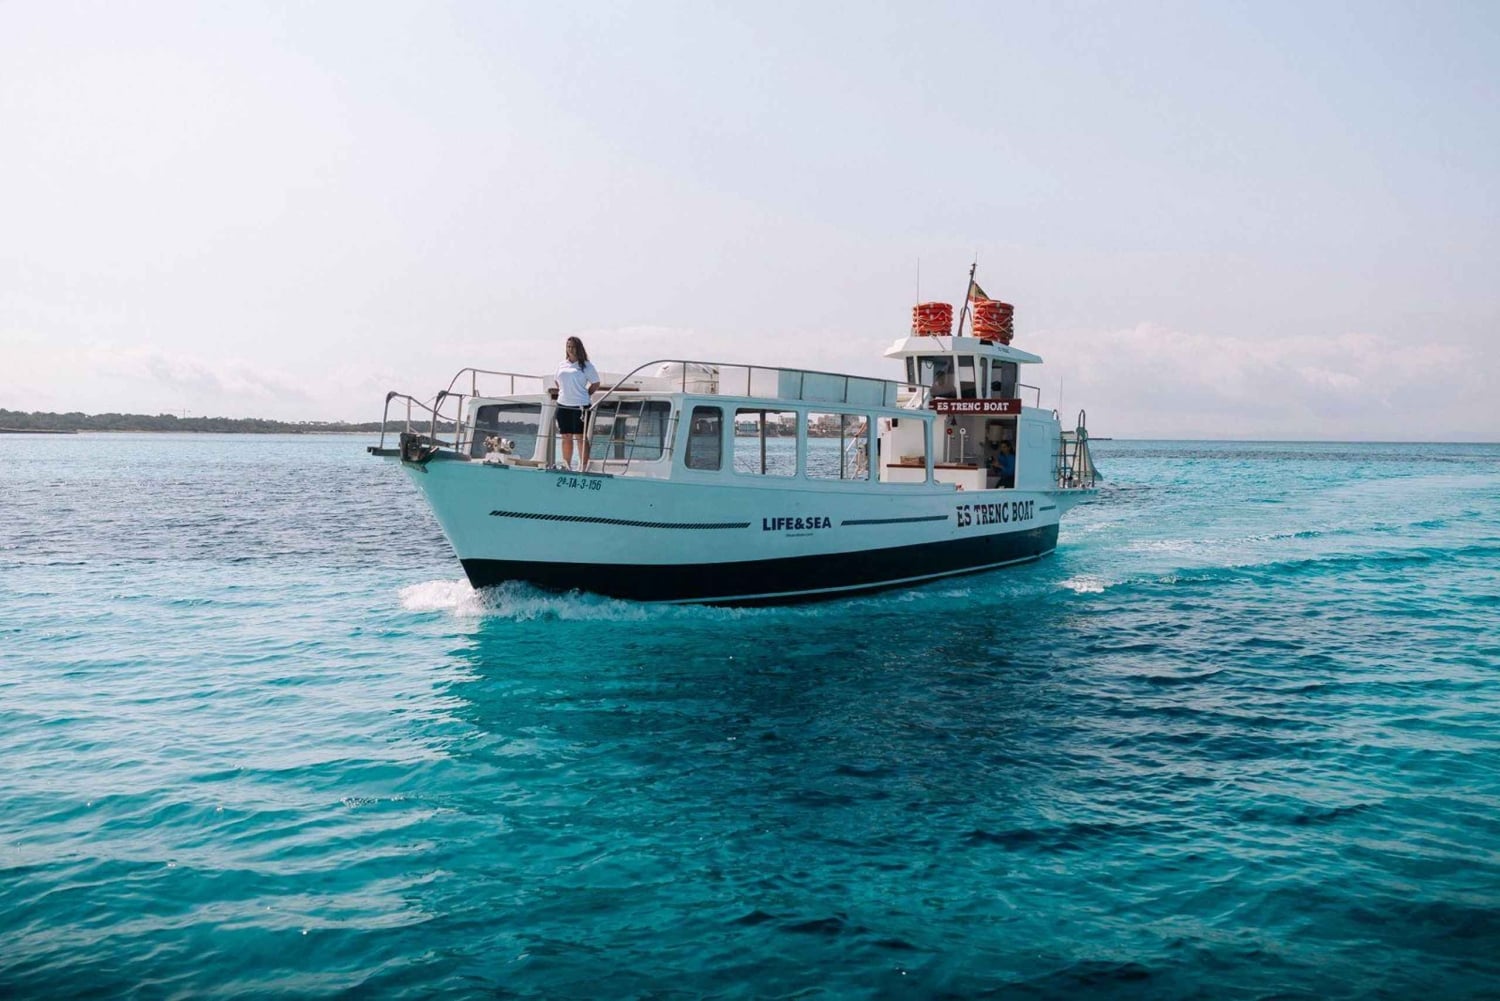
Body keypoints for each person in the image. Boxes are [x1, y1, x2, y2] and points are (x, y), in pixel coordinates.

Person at [554, 336, 600, 470]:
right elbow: (557, 381)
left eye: (573, 346)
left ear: (579, 348)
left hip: (580, 405)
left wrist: (585, 394)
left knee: (580, 436)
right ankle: (566, 465)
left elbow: (595, 383)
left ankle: (583, 466)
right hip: (563, 404)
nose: (571, 349)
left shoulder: (586, 366)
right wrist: (565, 391)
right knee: (566, 436)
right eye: (568, 346)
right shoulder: (562, 364)